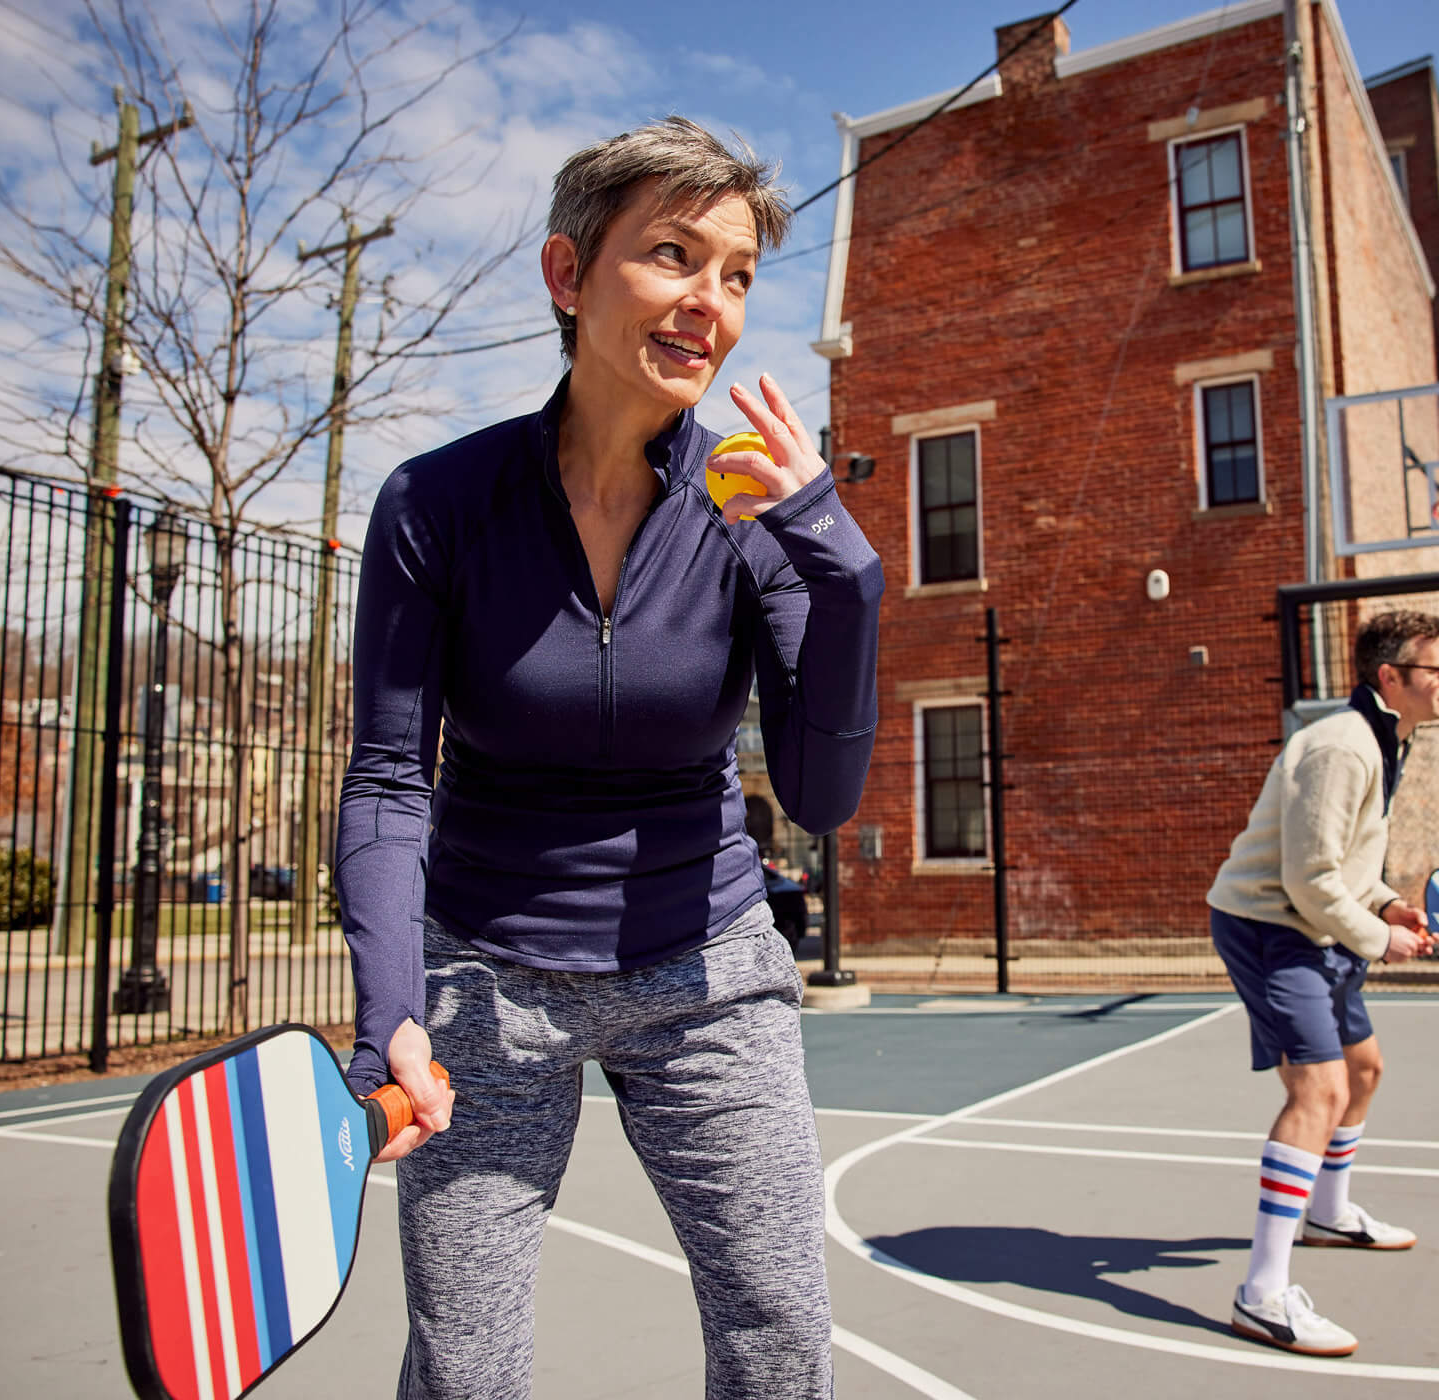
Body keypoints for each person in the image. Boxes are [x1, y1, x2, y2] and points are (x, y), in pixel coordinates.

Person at [334, 117, 882, 1399]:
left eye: (737, 275)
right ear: (568, 273)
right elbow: (390, 779)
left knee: (780, 1335)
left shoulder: (755, 513)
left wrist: (844, 573)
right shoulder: (436, 504)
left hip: (707, 967)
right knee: (465, 1366)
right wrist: (391, 1006)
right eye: (674, 254)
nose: (710, 303)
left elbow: (819, 794)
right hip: (486, 971)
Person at [1204, 609, 1439, 1356]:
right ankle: (1262, 1296)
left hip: (1314, 924)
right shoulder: (1344, 748)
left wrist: (1386, 904)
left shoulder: (1383, 739)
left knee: (1363, 1071)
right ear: (1391, 677)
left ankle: (1329, 1215)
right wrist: (1381, 939)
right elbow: (1308, 878)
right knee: (1318, 1091)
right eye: (1437, 669)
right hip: (1271, 928)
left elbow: (1344, 863)